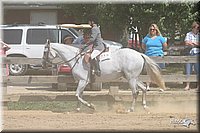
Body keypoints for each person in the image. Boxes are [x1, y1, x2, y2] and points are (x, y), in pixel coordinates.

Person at [141, 24, 168, 91]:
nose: (152, 31)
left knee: (158, 72)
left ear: (156, 30)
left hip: (158, 56)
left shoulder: (160, 38)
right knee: (149, 71)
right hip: (149, 56)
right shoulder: (146, 38)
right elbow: (143, 46)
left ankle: (161, 86)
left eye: (154, 29)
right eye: (151, 29)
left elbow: (165, 46)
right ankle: (147, 86)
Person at [184, 21, 199, 91]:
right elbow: (186, 43)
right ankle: (187, 85)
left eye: (198, 28)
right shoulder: (188, 34)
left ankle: (198, 86)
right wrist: (195, 43)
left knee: (198, 70)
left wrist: (193, 43)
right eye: (197, 27)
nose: (198, 29)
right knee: (188, 69)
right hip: (190, 53)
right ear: (193, 28)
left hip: (197, 53)